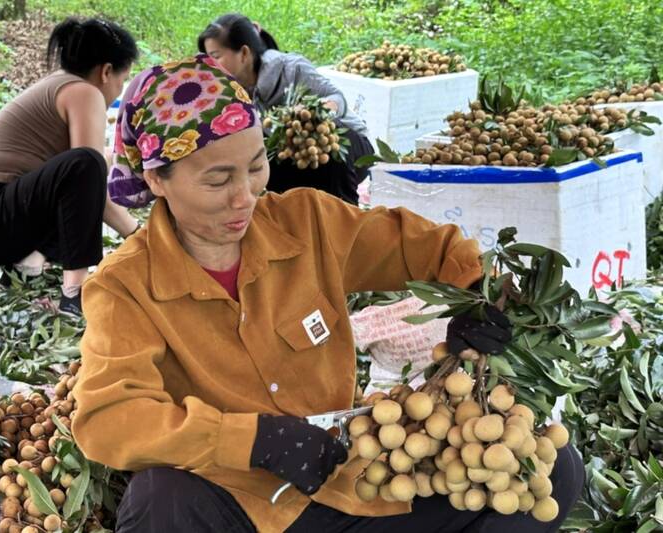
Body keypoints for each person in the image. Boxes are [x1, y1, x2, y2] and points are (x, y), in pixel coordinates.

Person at [72, 55, 584, 533]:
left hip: (350, 478)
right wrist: (250, 440)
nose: (245, 196)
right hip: (239, 497)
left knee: (554, 469)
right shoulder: (125, 287)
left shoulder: (309, 223)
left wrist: (479, 294)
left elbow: (423, 247)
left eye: (255, 167)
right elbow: (108, 419)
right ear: (157, 178)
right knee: (159, 502)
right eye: (217, 180)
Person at [0, 17, 141, 316]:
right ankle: (75, 292)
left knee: (86, 165)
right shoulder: (84, 93)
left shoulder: (59, 86)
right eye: (121, 80)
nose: (119, 89)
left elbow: (85, 179)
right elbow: (89, 179)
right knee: (86, 164)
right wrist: (139, 235)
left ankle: (28, 265)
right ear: (106, 71)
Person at [197, 13, 374, 205]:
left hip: (348, 151)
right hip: (296, 156)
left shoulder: (290, 68)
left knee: (329, 144)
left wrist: (312, 116)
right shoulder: (228, 90)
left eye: (216, 56)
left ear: (245, 53)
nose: (211, 65)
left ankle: (343, 219)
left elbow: (336, 98)